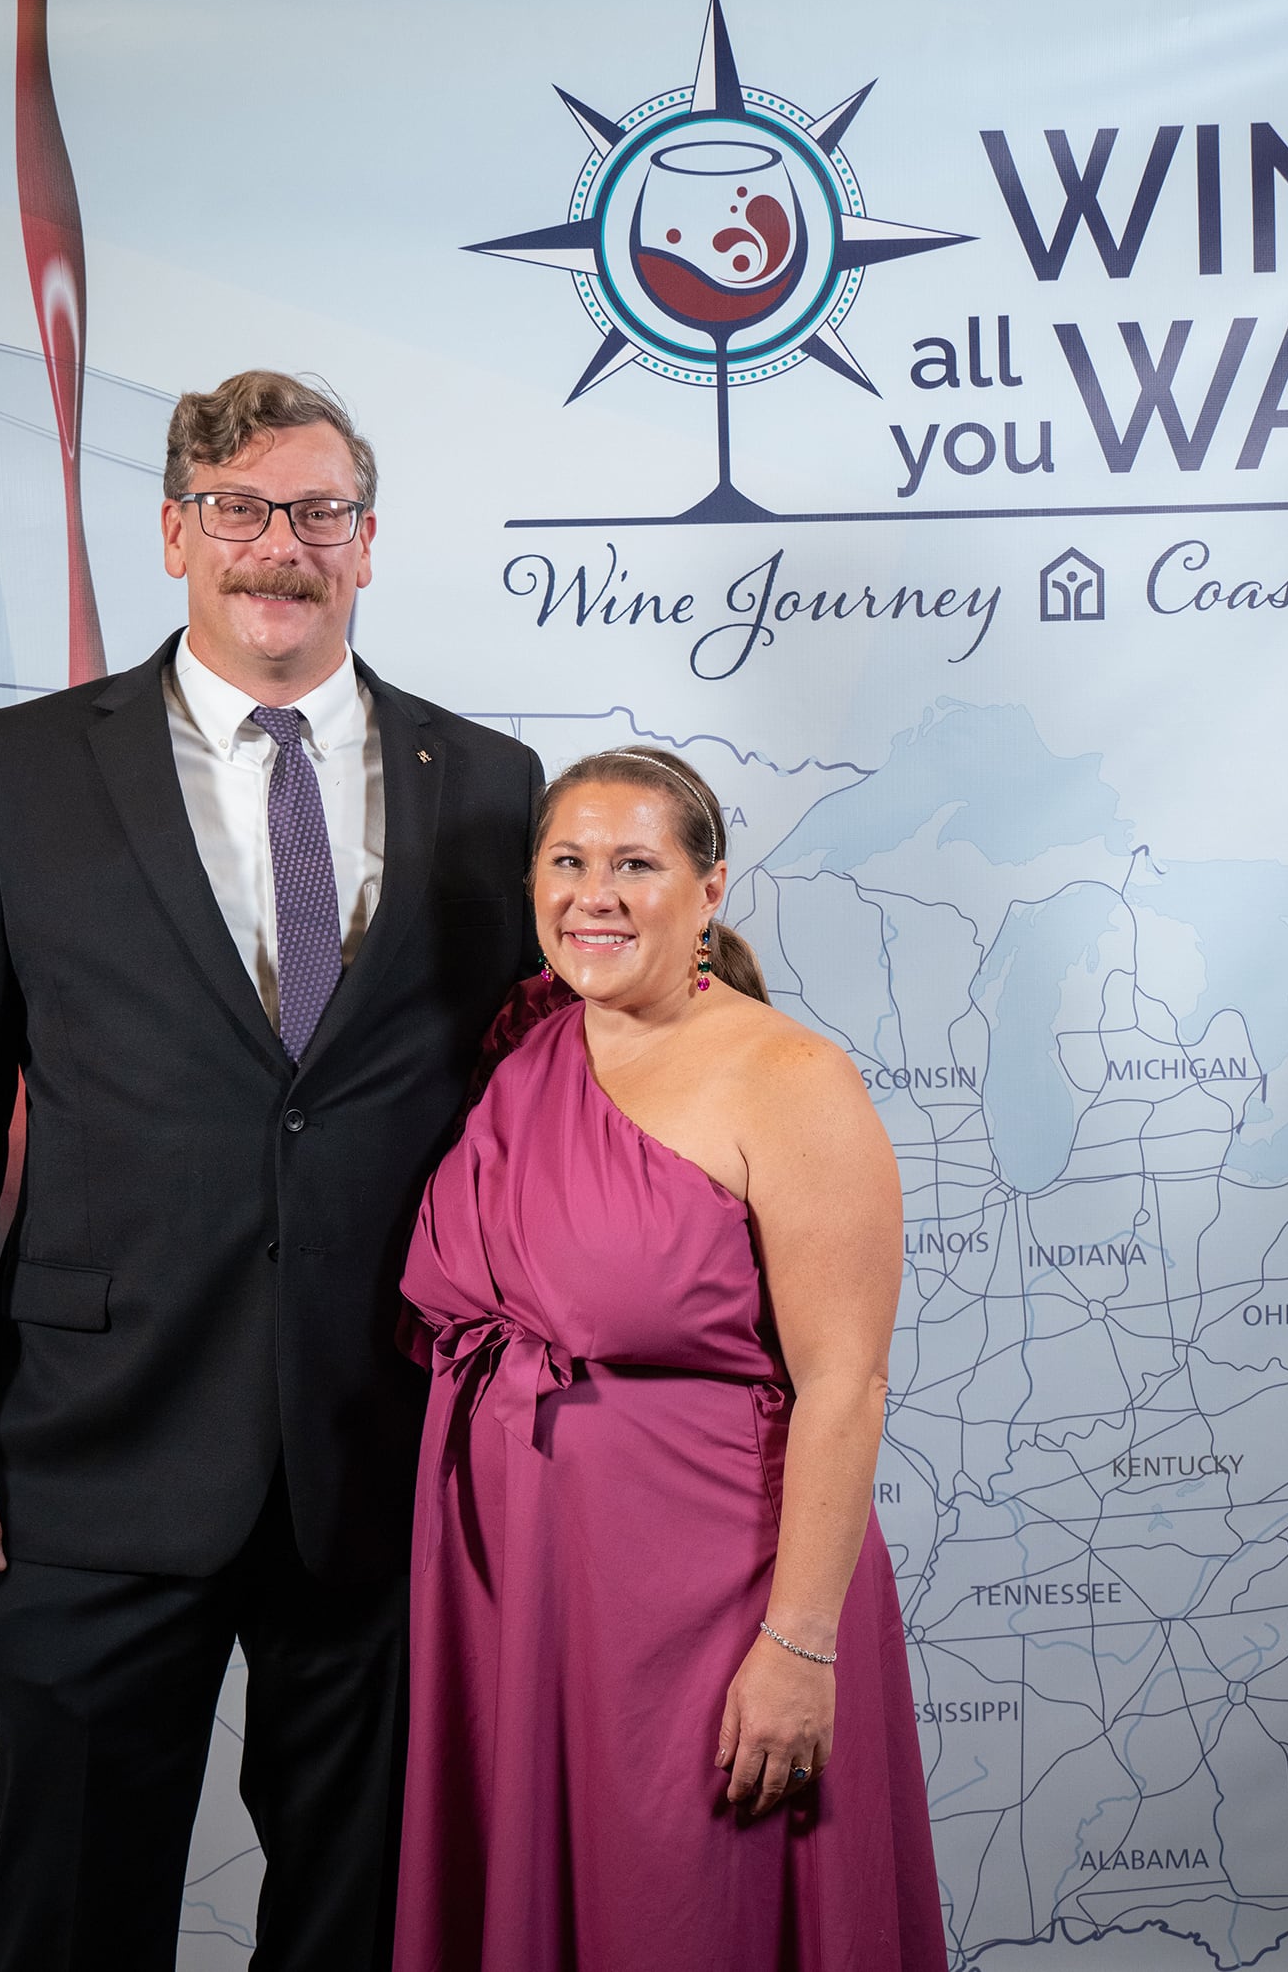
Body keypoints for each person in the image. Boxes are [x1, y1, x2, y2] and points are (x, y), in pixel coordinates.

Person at [0, 370, 542, 1971]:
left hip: (387, 1464)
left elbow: (535, 1108)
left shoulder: (490, 783)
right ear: (175, 532)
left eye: (319, 512)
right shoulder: (25, 765)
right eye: (239, 510)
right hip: (92, 1455)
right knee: (76, 1922)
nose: (279, 546)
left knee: (360, 1931)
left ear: (368, 541)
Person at [394, 746, 947, 1971]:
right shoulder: (528, 1048)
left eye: (635, 864)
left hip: (712, 1597)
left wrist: (798, 1645)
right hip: (521, 1583)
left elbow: (846, 1384)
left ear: (709, 888)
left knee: (692, 1916)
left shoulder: (791, 1077)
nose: (594, 894)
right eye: (568, 861)